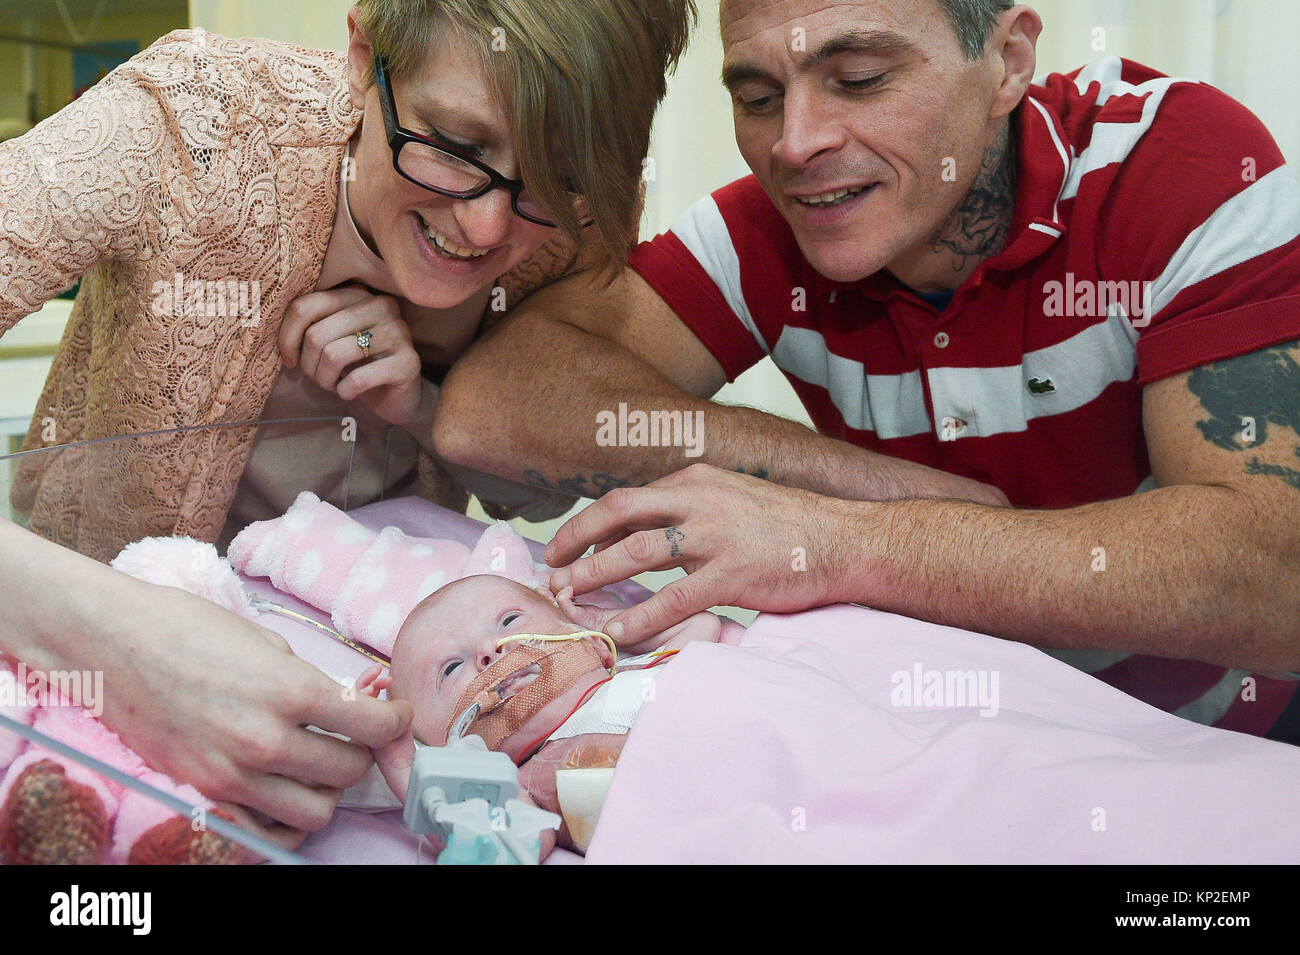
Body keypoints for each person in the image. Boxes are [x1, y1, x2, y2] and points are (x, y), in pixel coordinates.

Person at [432, 0, 1300, 741]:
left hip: (1230, 746)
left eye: (858, 79)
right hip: (956, 749)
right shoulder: (781, 225)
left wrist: (830, 541)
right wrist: (875, 489)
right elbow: (489, 407)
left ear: (1006, 61)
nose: (795, 145)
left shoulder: (1182, 163)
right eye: (760, 97)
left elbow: (1276, 569)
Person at [0, 0, 696, 844]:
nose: (485, 227)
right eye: (453, 146)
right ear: (367, 52)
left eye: (550, 176)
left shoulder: (568, 227)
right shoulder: (188, 125)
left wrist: (429, 410)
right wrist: (113, 636)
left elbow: (530, 493)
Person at [368, 573, 744, 855]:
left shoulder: (642, 673)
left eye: (509, 622)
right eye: (450, 669)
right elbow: (496, 845)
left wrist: (602, 625)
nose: (488, 650)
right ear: (450, 748)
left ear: (598, 650)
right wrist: (402, 765)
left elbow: (703, 625)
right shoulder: (524, 784)